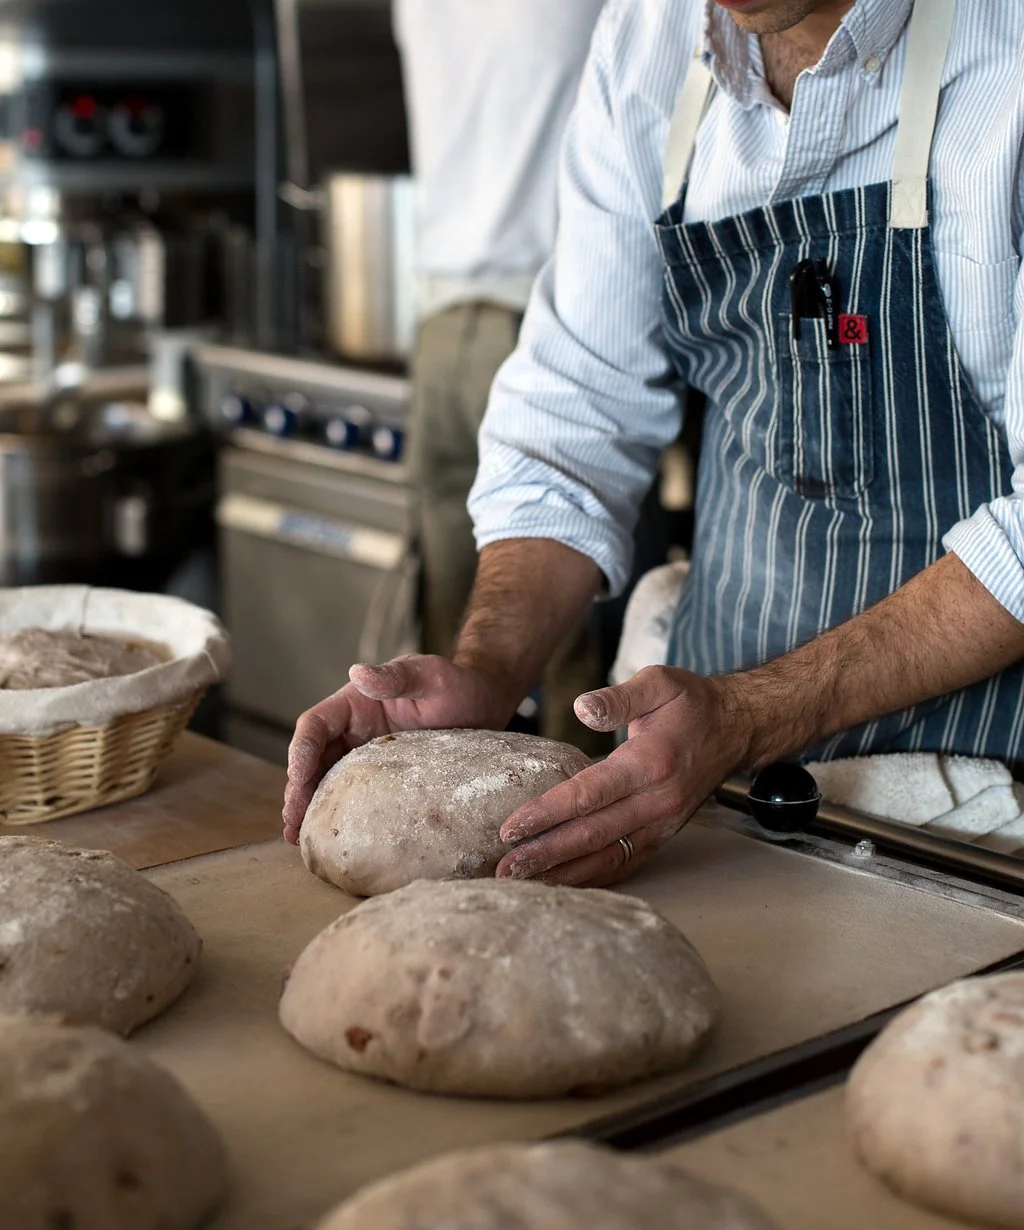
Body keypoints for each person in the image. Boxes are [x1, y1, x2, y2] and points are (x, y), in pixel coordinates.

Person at [284, 0, 1024, 890]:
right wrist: (487, 668)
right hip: (727, 807)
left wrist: (751, 713)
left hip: (985, 817)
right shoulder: (649, 38)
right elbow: (577, 409)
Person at [392, 0, 608, 751]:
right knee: (569, 642)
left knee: (451, 652)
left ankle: (445, 833)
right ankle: (566, 838)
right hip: (545, 330)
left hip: (441, 331)